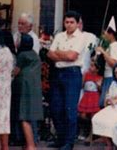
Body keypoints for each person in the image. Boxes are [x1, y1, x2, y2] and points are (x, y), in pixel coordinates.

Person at [47, 10, 85, 150]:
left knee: (70, 109)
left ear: (77, 23)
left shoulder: (81, 37)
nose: (68, 25)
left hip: (72, 74)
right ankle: (60, 139)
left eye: (71, 22)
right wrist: (63, 54)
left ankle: (69, 143)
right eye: (66, 22)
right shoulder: (59, 36)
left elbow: (72, 57)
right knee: (56, 108)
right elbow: (50, 54)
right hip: (58, 73)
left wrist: (58, 53)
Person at [12, 35, 43, 150]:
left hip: (24, 86)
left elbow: (16, 71)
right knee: (30, 115)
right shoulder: (34, 54)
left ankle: (30, 145)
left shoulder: (22, 55)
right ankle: (31, 143)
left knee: (24, 115)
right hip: (34, 87)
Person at [96, 18, 117, 107]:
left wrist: (103, 52)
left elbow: (114, 63)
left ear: (111, 34)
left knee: (105, 102)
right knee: (103, 102)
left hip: (111, 77)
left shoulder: (115, 46)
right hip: (107, 77)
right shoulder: (110, 46)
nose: (103, 36)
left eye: (104, 33)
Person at [77, 60, 102, 140]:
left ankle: (91, 135)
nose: (90, 67)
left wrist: (98, 85)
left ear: (97, 69)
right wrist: (83, 78)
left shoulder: (99, 77)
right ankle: (85, 130)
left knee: (93, 116)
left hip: (94, 97)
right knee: (82, 115)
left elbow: (100, 89)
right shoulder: (86, 75)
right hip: (86, 96)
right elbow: (81, 86)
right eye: (90, 65)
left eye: (92, 66)